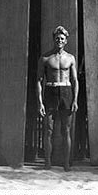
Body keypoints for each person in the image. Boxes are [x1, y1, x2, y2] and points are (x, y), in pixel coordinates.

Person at [36, 26, 78, 171]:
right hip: (51, 92)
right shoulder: (46, 57)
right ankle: (47, 162)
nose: (59, 41)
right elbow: (39, 80)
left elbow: (75, 80)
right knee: (48, 130)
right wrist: (40, 102)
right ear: (54, 40)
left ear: (66, 41)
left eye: (62, 39)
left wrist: (75, 100)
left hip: (66, 92)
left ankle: (66, 163)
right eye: (57, 38)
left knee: (66, 130)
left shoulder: (70, 58)